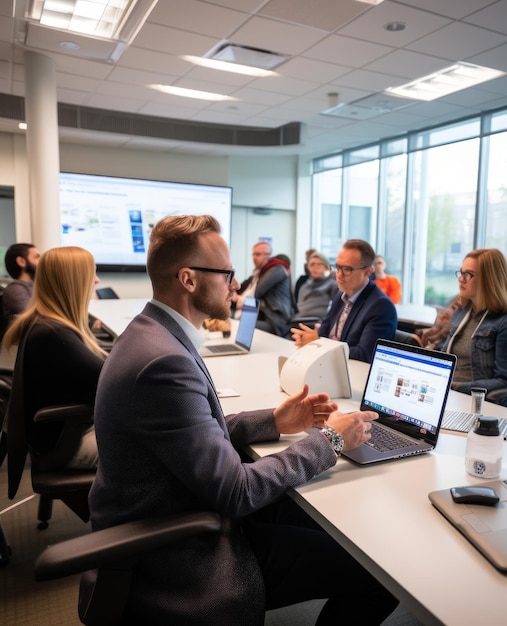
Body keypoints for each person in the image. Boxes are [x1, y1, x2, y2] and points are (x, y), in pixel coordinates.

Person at [86, 215, 398, 624]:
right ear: (188, 280)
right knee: (377, 574)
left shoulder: (153, 334)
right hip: (183, 552)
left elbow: (196, 430)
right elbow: (236, 491)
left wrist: (275, 419)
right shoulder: (163, 362)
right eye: (227, 273)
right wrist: (330, 441)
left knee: (328, 529)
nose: (235, 285)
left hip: (178, 506)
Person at [2, 246, 106, 469]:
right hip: (68, 442)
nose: (97, 281)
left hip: (70, 432)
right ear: (74, 281)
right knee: (157, 449)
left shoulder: (49, 325)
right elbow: (111, 380)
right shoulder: (53, 334)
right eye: (92, 274)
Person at [291, 240, 397, 363]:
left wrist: (320, 343)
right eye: (337, 267)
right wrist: (310, 338)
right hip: (328, 365)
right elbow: (324, 332)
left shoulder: (381, 307)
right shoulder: (341, 294)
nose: (339, 275)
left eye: (347, 269)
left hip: (352, 375)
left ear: (368, 271)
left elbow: (364, 355)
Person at [440, 248, 507, 394]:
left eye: (469, 274)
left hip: (472, 399)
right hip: (448, 392)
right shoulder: (462, 312)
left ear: (489, 280)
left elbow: (505, 383)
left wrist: (457, 387)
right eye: (461, 272)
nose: (461, 279)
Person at [232, 241, 294, 338]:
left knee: (238, 326)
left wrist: (238, 299)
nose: (254, 258)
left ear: (268, 255)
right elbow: (239, 289)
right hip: (260, 316)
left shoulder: (277, 269)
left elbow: (257, 293)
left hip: (274, 322)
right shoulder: (257, 274)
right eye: (253, 254)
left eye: (258, 254)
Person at [2, 242, 41, 322]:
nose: (41, 261)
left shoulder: (36, 285)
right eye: (37, 257)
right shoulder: (15, 290)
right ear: (21, 262)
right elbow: (36, 318)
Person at [293, 251, 338, 319]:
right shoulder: (304, 286)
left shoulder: (332, 285)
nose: (315, 267)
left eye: (319, 264)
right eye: (312, 264)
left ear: (326, 267)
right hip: (299, 320)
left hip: (319, 322)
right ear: (308, 267)